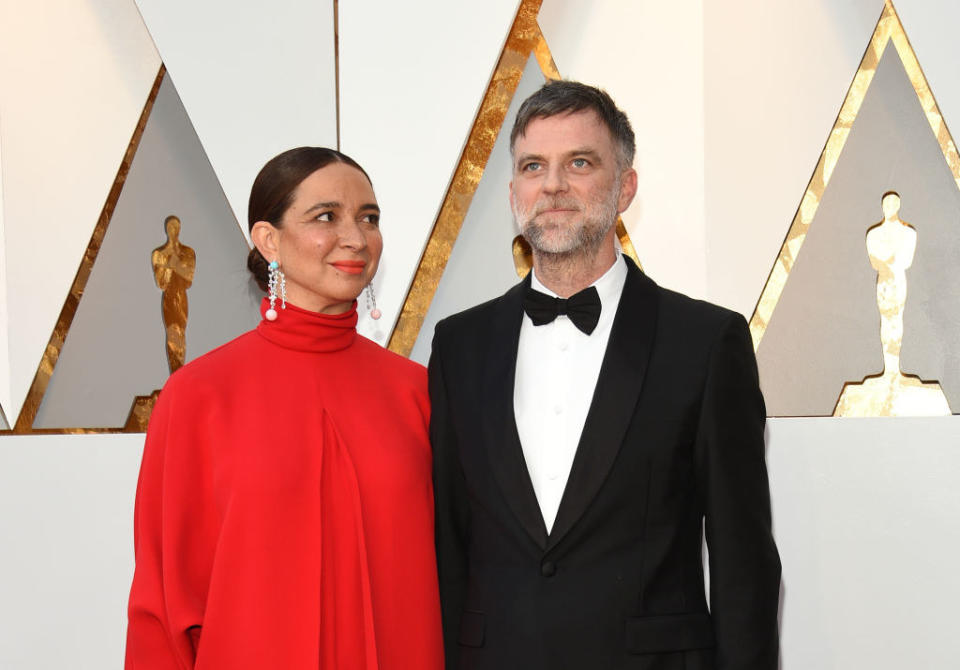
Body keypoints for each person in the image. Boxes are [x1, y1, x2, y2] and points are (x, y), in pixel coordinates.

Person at [429, 81, 781, 669]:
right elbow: (449, 547)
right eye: (533, 166)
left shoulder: (705, 343)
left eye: (581, 163)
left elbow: (744, 563)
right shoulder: (458, 344)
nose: (554, 184)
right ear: (514, 191)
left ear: (625, 188)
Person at [126, 147, 444, 669]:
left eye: (369, 218)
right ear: (268, 240)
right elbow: (161, 604)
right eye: (326, 217)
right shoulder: (198, 396)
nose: (356, 238)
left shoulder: (419, 393)